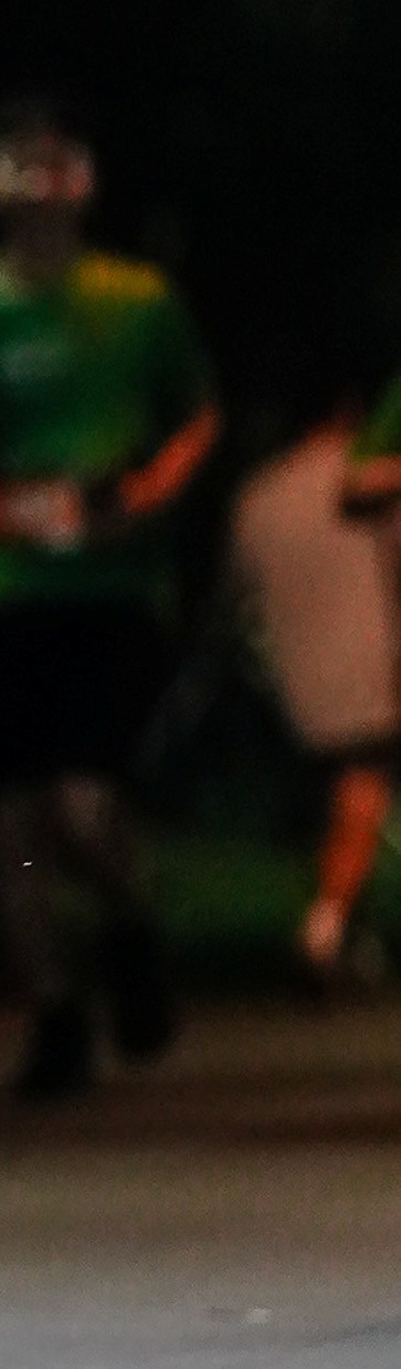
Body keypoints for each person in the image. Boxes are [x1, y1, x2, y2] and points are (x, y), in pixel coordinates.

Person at [0, 99, 218, 1097]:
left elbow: (196, 416)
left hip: (108, 589)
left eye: (55, 162)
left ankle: (130, 927)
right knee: (8, 821)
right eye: (18, 164)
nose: (38, 184)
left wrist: (144, 494)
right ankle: (52, 1006)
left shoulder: (137, 300)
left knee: (80, 800)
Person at [228, 400, 401, 987]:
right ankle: (324, 929)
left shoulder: (260, 493)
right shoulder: (370, 477)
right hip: (371, 665)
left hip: (293, 677)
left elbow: (240, 590)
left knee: (340, 801)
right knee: (363, 788)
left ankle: (349, 932)